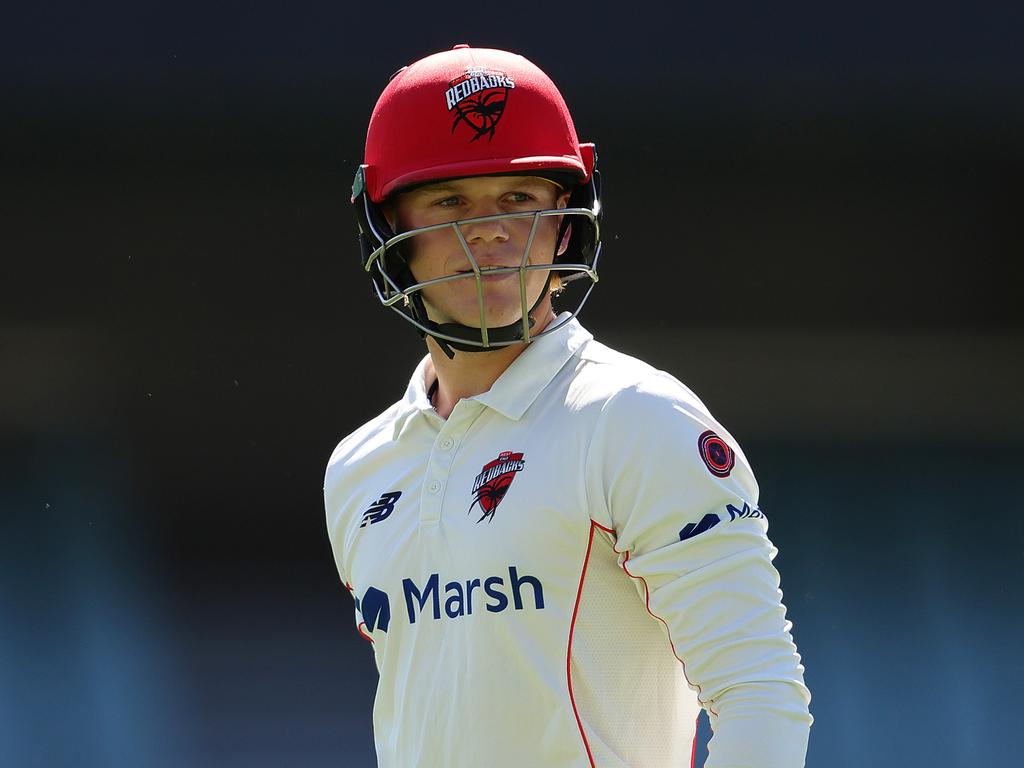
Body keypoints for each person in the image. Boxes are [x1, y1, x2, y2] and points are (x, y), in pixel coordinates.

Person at [324, 45, 812, 768]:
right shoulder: (360, 468)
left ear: (565, 222)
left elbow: (761, 699)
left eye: (518, 200)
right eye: (449, 200)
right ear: (390, 231)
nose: (486, 230)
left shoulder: (635, 418)